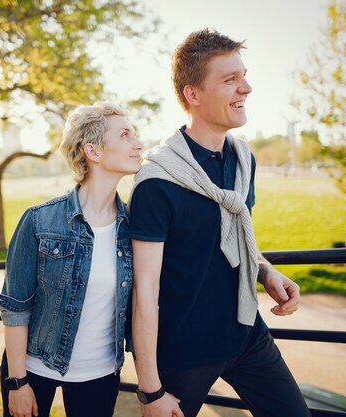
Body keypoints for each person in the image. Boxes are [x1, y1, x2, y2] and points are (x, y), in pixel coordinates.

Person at [129, 29, 311, 417]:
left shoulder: (244, 160)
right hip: (185, 350)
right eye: (230, 80)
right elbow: (144, 291)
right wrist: (149, 391)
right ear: (193, 95)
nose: (246, 87)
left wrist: (266, 272)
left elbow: (238, 242)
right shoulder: (156, 182)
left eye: (243, 75)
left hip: (247, 334)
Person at [0, 102, 143, 417]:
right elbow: (15, 307)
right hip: (33, 369)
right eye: (125, 135)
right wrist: (17, 383)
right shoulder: (39, 221)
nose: (138, 144)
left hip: (101, 375)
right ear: (94, 151)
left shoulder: (135, 228)